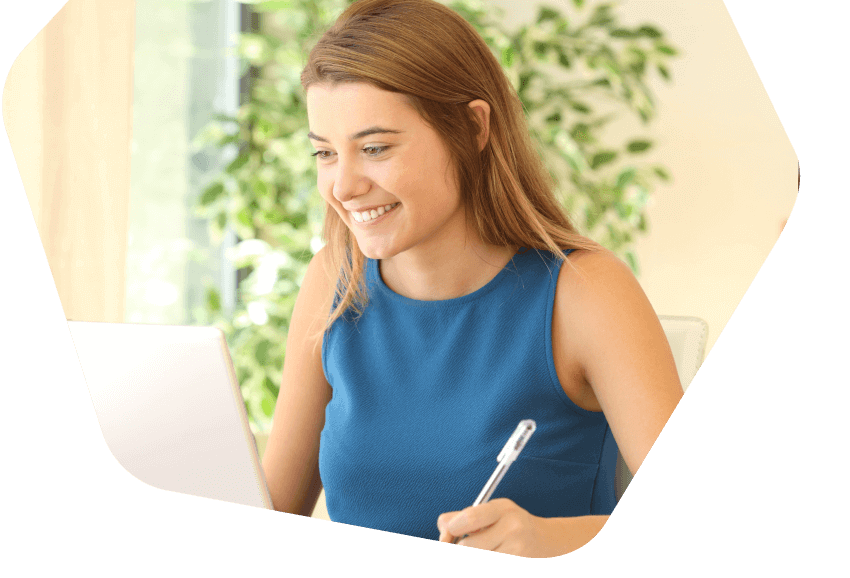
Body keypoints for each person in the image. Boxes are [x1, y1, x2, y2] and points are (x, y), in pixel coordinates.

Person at [261, 0, 683, 557]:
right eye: (324, 153)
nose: (343, 185)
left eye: (375, 148)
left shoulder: (585, 292)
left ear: (473, 125)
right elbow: (272, 501)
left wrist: (549, 538)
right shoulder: (334, 281)